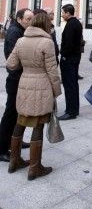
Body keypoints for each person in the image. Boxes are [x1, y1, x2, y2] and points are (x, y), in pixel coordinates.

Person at [6, 12, 61, 179]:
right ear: (46, 25)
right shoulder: (47, 42)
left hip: (24, 84)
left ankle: (14, 161)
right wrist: (56, 91)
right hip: (42, 85)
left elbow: (10, 64)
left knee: (21, 120)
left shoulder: (21, 40)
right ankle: (35, 168)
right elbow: (52, 70)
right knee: (38, 123)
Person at [0, 8, 34, 162]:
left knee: (17, 114)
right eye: (28, 18)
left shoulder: (20, 30)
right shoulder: (15, 32)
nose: (31, 21)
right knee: (10, 114)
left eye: (32, 18)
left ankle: (15, 141)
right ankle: (1, 148)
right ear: (20, 19)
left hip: (19, 79)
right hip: (15, 80)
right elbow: (13, 59)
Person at [58, 4, 83, 121]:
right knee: (73, 85)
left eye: (63, 12)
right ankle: (73, 109)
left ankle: (71, 111)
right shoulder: (76, 23)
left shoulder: (71, 24)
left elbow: (68, 44)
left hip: (69, 59)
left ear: (68, 13)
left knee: (69, 86)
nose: (62, 15)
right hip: (74, 58)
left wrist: (63, 55)